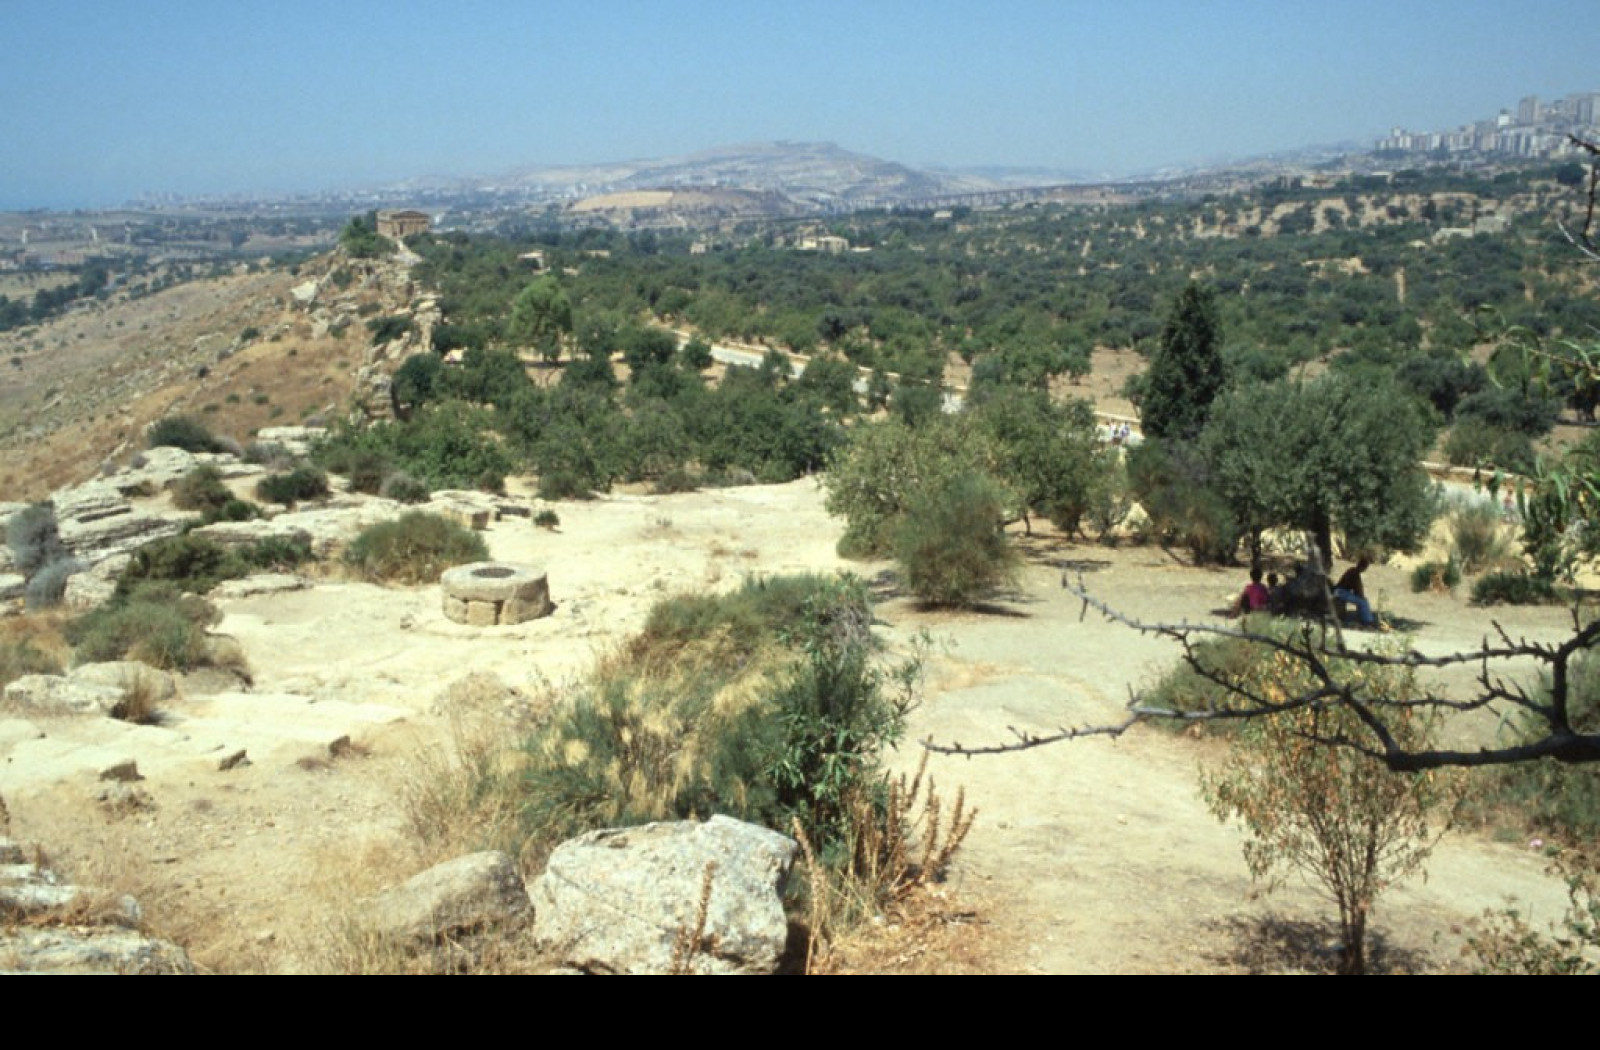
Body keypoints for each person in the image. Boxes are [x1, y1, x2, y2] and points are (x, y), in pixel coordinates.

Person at [1333, 557, 1377, 627]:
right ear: (1363, 567)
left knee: (1361, 600)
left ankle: (1363, 618)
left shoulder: (1352, 570)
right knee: (1363, 602)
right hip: (1341, 592)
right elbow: (1358, 589)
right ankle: (1368, 621)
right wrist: (1362, 597)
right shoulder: (1355, 573)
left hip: (1340, 591)